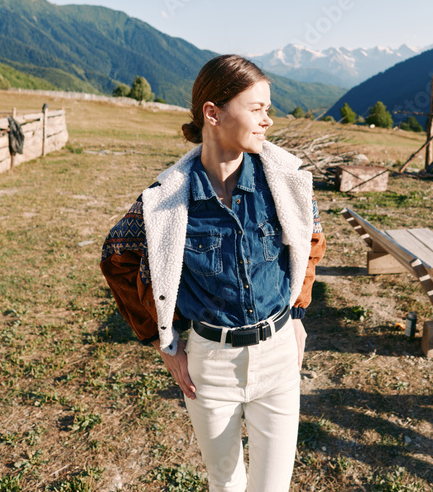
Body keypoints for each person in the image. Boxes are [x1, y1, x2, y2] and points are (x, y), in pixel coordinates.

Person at [100, 54, 326, 492]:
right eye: (257, 109)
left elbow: (311, 240)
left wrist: (298, 314)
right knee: (224, 483)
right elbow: (117, 258)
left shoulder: (286, 182)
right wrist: (162, 341)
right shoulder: (166, 201)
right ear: (213, 113)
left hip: (279, 356)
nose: (268, 120)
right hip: (210, 365)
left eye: (268, 109)